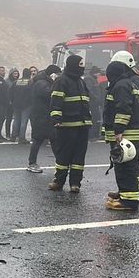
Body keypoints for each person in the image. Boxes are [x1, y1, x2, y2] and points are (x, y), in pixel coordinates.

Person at [47, 55, 92, 193]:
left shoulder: (81, 81)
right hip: (67, 125)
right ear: (73, 65)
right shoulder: (61, 81)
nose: (82, 67)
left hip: (82, 125)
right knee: (63, 155)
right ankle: (59, 182)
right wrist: (57, 119)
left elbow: (87, 99)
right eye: (80, 64)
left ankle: (75, 183)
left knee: (79, 156)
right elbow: (56, 101)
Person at [103, 60, 139, 211]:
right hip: (131, 134)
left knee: (125, 168)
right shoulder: (129, 84)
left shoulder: (120, 86)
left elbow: (123, 109)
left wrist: (118, 130)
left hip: (125, 134)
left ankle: (128, 201)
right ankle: (129, 194)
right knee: (131, 167)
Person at [26, 65, 61, 173]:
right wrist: (56, 84)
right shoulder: (41, 83)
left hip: (45, 116)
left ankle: (60, 163)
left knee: (54, 139)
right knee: (38, 139)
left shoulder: (43, 81)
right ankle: (32, 163)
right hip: (40, 116)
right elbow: (49, 94)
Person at [10, 67, 32, 144]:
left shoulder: (16, 82)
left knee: (16, 120)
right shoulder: (30, 82)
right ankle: (21, 138)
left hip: (16, 104)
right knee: (24, 121)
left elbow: (10, 92)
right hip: (26, 105)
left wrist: (12, 101)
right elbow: (32, 94)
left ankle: (13, 136)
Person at [83, 66, 104, 140]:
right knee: (93, 119)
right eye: (98, 73)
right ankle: (91, 136)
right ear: (95, 73)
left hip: (95, 103)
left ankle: (95, 135)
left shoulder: (94, 79)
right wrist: (96, 99)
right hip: (91, 103)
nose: (99, 75)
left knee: (96, 119)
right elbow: (89, 91)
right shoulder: (88, 79)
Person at [5, 68, 20, 140]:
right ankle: (7, 134)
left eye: (17, 74)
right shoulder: (7, 81)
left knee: (17, 119)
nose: (16, 75)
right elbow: (6, 93)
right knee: (9, 119)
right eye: (14, 74)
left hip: (16, 102)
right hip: (9, 103)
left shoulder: (18, 81)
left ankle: (16, 133)